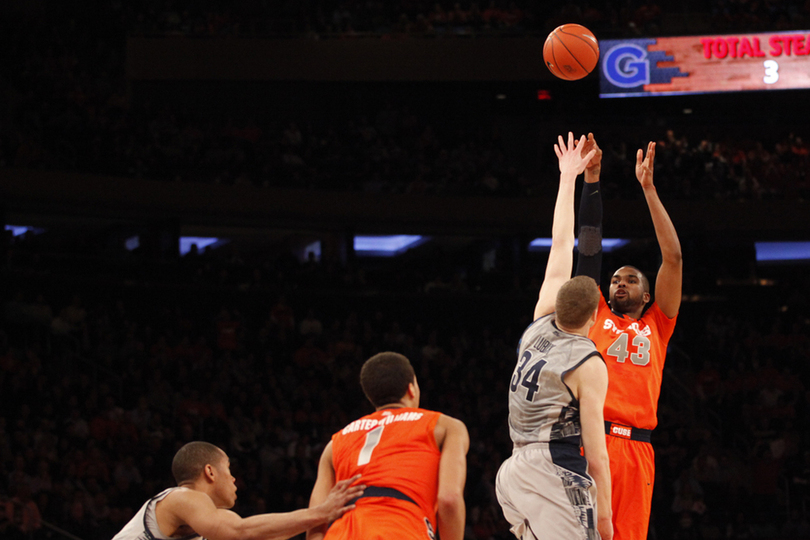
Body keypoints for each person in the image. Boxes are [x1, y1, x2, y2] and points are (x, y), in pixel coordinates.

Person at [495, 133, 612, 540]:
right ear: (597, 313)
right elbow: (596, 455)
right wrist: (608, 515)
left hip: (512, 472)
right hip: (552, 471)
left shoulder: (540, 318)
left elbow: (562, 241)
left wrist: (569, 177)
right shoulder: (587, 361)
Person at [574, 134, 682, 540]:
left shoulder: (659, 323)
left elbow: (672, 257)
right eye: (615, 279)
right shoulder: (596, 311)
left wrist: (649, 190)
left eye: (630, 279)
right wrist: (592, 180)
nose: (619, 283)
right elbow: (588, 248)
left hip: (638, 449)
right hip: (591, 437)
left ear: (648, 294)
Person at [306, 351, 469, 540]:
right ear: (411, 389)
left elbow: (316, 517)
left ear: (371, 398)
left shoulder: (334, 443)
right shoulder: (445, 426)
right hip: (401, 528)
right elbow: (449, 500)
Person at [111, 441, 365, 540]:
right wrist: (322, 512)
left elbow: (263, 534)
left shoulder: (206, 524)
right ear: (210, 472)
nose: (234, 479)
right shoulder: (183, 498)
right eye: (229, 469)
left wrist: (326, 518)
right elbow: (240, 530)